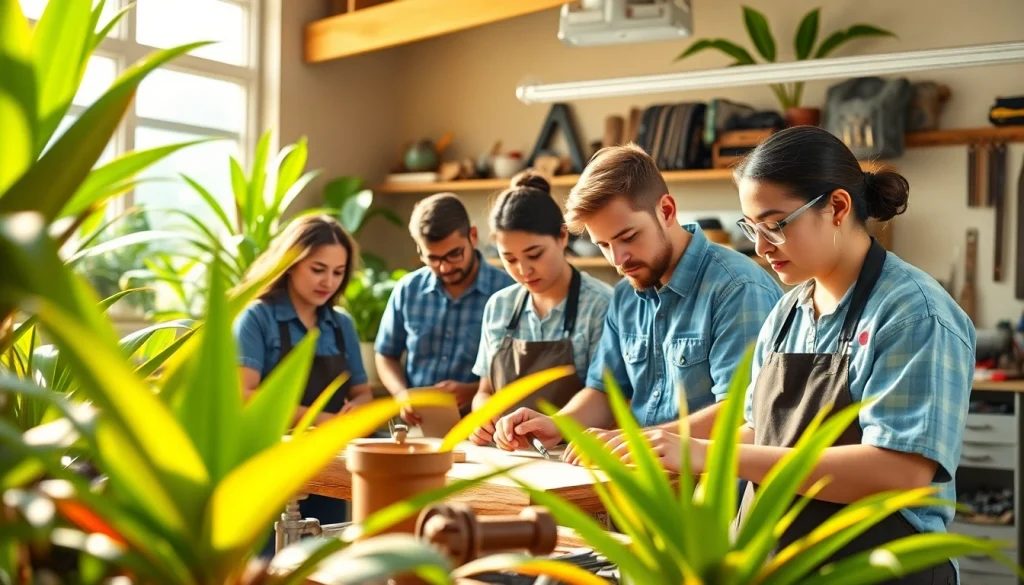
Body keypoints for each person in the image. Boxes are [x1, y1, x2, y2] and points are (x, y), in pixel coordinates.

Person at [630, 126, 973, 583]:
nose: (760, 246)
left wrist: (710, 455)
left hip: (880, 570)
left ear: (836, 207)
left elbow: (898, 469)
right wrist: (653, 444)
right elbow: (760, 427)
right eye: (751, 227)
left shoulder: (914, 313)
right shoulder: (789, 311)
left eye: (775, 224)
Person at [493, 143, 782, 454]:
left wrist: (638, 441)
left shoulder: (737, 287)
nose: (618, 259)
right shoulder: (625, 295)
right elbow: (605, 392)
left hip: (712, 491)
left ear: (667, 210)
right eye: (603, 244)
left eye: (628, 237)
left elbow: (741, 413)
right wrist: (557, 424)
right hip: (641, 480)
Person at [232, 214, 374, 555]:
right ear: (291, 263)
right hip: (270, 466)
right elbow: (246, 396)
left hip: (329, 467)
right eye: (318, 268)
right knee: (267, 565)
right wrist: (325, 420)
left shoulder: (341, 325)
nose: (328, 281)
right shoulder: (257, 317)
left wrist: (359, 412)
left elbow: (363, 393)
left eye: (338, 272)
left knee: (321, 563)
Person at [467, 171, 614, 446]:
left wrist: (557, 426)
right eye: (509, 259)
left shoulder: (602, 306)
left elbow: (608, 399)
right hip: (509, 456)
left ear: (561, 237)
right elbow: (484, 391)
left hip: (572, 459)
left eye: (535, 255)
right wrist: (483, 418)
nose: (523, 270)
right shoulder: (498, 307)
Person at [375, 192, 514, 425]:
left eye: (454, 254)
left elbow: (519, 373)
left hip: (482, 427)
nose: (445, 267)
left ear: (473, 236)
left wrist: (473, 390)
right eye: (433, 259)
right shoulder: (408, 289)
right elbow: (385, 354)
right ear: (420, 252)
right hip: (416, 426)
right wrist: (401, 396)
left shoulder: (507, 293)